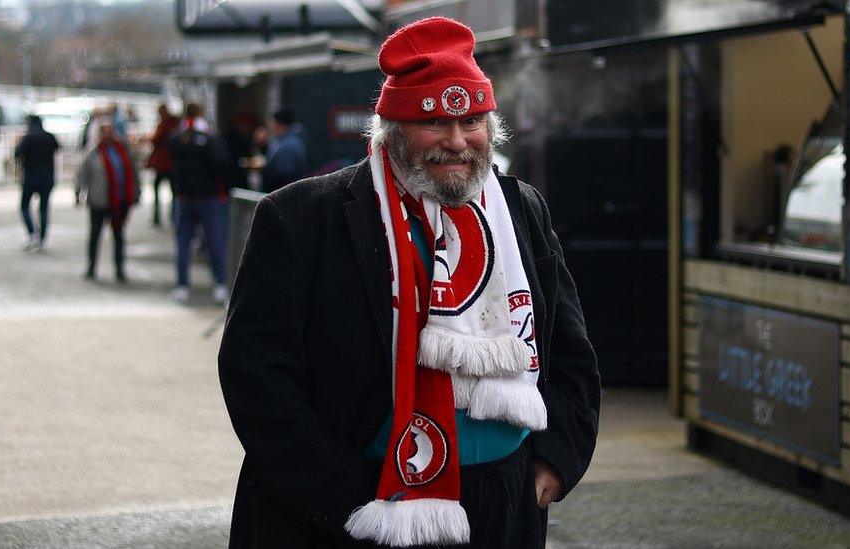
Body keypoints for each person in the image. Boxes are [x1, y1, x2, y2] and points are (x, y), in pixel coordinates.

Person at [219, 17, 601, 549]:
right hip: (359, 507)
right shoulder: (302, 217)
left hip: (502, 506)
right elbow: (256, 378)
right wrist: (353, 501)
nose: (456, 142)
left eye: (471, 121)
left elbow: (571, 351)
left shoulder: (521, 209)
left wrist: (557, 458)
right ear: (391, 129)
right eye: (433, 124)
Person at [168, 102, 229, 305]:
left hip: (185, 197)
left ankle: (182, 286)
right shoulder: (209, 138)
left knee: (183, 243)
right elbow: (220, 163)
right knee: (214, 242)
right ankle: (220, 284)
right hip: (207, 198)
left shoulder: (179, 137)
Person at [75, 122, 138, 282]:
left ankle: (119, 268)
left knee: (118, 235)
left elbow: (133, 173)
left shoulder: (123, 152)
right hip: (99, 201)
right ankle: (91, 267)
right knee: (95, 235)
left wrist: (136, 193)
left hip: (119, 201)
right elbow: (83, 174)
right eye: (105, 132)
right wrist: (78, 192)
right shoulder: (94, 154)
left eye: (111, 131)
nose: (109, 135)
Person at [15, 115, 59, 251]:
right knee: (44, 208)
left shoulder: (28, 138)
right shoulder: (50, 137)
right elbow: (57, 148)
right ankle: (42, 237)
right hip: (47, 177)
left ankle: (32, 232)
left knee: (24, 205)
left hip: (31, 177)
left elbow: (17, 153)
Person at [144, 104, 180, 226]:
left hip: (164, 163)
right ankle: (173, 216)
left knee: (160, 189)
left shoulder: (165, 123)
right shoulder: (175, 123)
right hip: (171, 163)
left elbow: (156, 138)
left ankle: (159, 217)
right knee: (173, 191)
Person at [257, 109, 307, 193]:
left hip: (284, 196)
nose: (271, 126)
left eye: (272, 122)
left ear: (278, 124)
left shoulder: (289, 144)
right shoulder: (281, 139)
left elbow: (285, 174)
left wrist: (265, 171)